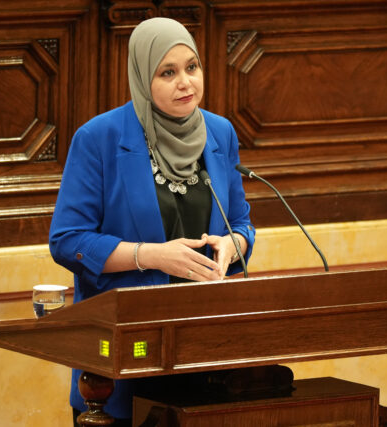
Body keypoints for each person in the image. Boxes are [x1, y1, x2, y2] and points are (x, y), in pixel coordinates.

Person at [48, 17, 256, 426]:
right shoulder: (99, 138)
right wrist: (152, 256)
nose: (185, 83)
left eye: (192, 67)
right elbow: (68, 241)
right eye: (168, 73)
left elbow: (241, 223)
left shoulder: (220, 133)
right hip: (125, 355)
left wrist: (233, 246)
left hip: (205, 354)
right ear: (143, 77)